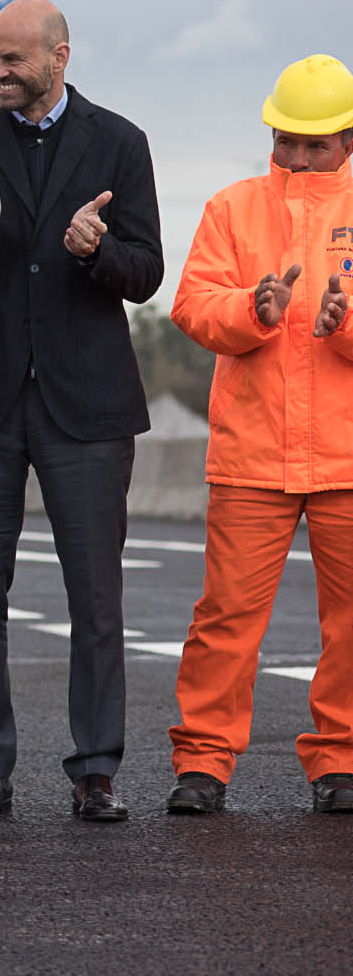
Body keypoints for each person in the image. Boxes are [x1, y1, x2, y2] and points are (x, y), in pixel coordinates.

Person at [0, 0, 163, 823]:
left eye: (12, 59)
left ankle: (95, 769)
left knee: (96, 598)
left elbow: (146, 270)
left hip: (85, 405)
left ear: (59, 55)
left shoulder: (121, 143)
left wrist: (99, 252)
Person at [166, 53, 353, 816]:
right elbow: (191, 305)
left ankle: (340, 759)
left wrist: (345, 327)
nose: (299, 156)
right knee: (226, 619)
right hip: (253, 453)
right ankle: (203, 761)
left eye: (315, 143)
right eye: (287, 140)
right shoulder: (232, 206)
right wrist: (254, 309)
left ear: (347, 136)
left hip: (346, 455)